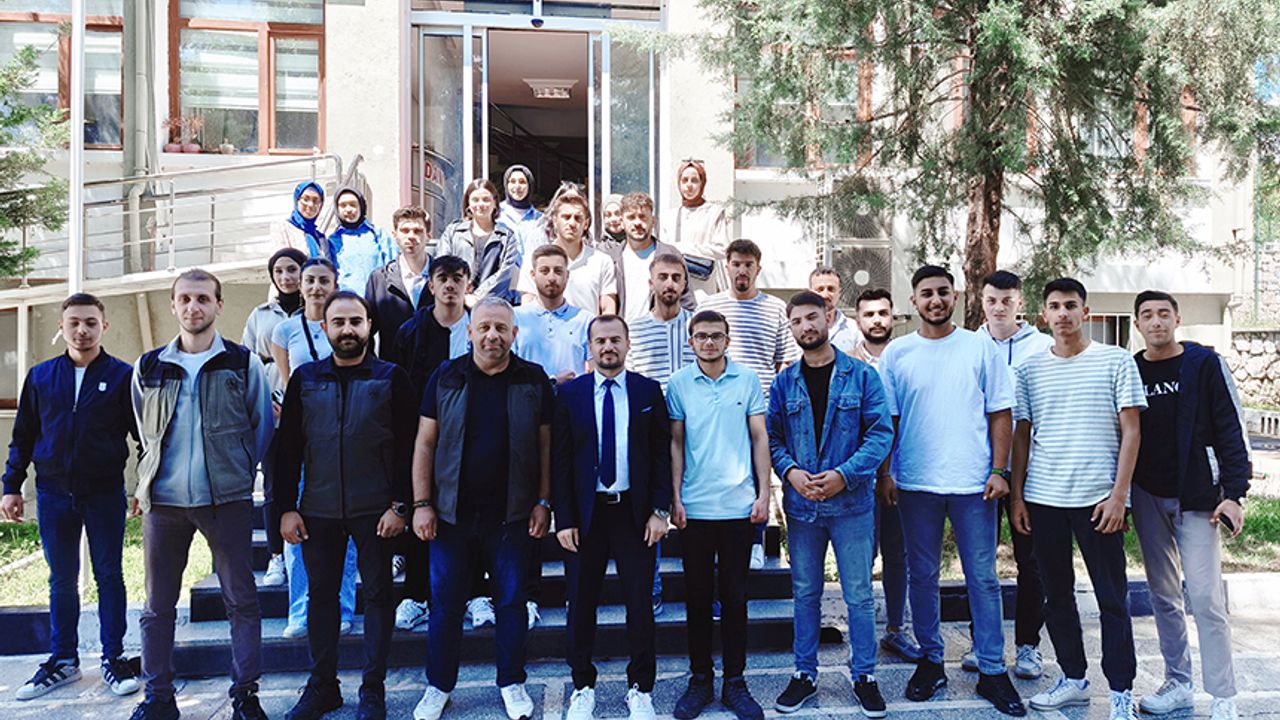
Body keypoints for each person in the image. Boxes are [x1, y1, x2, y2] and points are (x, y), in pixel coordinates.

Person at [877, 265, 1025, 716]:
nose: (935, 300)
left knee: (983, 578)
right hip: (916, 483)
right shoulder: (898, 353)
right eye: (926, 293)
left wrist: (999, 470)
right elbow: (888, 420)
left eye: (943, 292)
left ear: (955, 296)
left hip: (974, 484)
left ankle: (993, 670)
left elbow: (1001, 413)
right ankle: (931, 660)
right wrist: (886, 473)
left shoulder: (980, 348)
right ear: (914, 301)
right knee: (922, 576)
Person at [129, 269, 273, 720]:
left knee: (241, 600)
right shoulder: (149, 366)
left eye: (203, 299)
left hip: (225, 500)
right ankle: (158, 698)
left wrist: (237, 471)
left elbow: (261, 426)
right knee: (157, 606)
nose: (194, 307)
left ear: (218, 305)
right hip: (164, 503)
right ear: (173, 305)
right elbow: (145, 430)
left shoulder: (242, 362)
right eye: (186, 299)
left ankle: (245, 696)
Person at [274, 291, 418, 720]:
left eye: (356, 321)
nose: (348, 330)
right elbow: (288, 449)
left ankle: (372, 690)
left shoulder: (392, 377)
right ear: (325, 328)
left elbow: (409, 445)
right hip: (317, 509)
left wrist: (402, 506)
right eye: (338, 322)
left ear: (369, 326)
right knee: (321, 598)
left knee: (377, 597)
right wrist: (285, 508)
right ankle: (323, 687)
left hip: (376, 511)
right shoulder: (305, 378)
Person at [410, 297, 554, 720]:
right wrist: (421, 504)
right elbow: (425, 443)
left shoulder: (533, 379)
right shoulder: (446, 376)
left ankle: (511, 681)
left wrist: (543, 501)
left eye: (501, 328)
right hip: (450, 515)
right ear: (470, 332)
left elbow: (546, 448)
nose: (493, 335)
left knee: (511, 603)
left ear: (514, 333)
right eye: (485, 327)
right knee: (445, 605)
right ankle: (438, 685)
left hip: (511, 516)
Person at [1009, 278, 1146, 720]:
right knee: (1056, 595)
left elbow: (1131, 431)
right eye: (1054, 306)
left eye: (1071, 305)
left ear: (1085, 312)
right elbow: (1022, 437)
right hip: (1044, 499)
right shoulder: (1028, 370)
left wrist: (1119, 497)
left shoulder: (1115, 360)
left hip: (1098, 501)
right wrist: (1018, 498)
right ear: (1043, 315)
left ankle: (1121, 690)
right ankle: (1073, 679)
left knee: (1112, 598)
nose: (1063, 313)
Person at [1, 293, 140, 701]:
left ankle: (113, 658)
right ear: (61, 327)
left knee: (109, 574)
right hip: (53, 493)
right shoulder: (41, 377)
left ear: (104, 326)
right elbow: (23, 436)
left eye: (90, 323)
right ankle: (63, 659)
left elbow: (143, 436)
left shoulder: (122, 376)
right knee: (61, 579)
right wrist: (11, 486)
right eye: (74, 323)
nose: (82, 330)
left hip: (104, 493)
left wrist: (144, 488)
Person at [766, 292, 893, 717]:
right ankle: (804, 674)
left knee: (859, 595)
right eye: (797, 321)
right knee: (805, 593)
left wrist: (844, 474)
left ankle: (864, 676)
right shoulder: (784, 382)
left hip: (852, 506)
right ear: (791, 328)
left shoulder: (862, 376)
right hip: (803, 508)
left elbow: (880, 433)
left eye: (812, 317)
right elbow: (773, 438)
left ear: (828, 318)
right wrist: (790, 472)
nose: (806, 326)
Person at [1129, 290, 1249, 720]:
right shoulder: (1132, 369)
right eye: (1147, 315)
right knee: (1163, 595)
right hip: (1146, 494)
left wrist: (1234, 493)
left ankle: (1223, 695)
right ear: (1137, 324)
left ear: (1177, 319)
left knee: (1205, 595)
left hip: (1197, 497)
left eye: (1164, 313)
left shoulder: (1204, 364)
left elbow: (1231, 427)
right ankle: (1178, 683)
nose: (1156, 321)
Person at [554, 315, 671, 720]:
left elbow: (661, 454)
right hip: (586, 517)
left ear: (627, 343)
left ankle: (640, 688)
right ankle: (582, 686)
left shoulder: (647, 391)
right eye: (600, 340)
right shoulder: (570, 394)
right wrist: (564, 518)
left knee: (640, 604)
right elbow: (561, 460)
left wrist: (660, 511)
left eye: (615, 340)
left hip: (633, 515)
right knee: (580, 605)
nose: (608, 347)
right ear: (589, 346)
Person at [667, 310, 771, 720]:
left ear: (727, 340)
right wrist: (675, 497)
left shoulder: (747, 380)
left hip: (738, 508)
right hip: (695, 509)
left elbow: (759, 436)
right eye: (701, 336)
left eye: (716, 336)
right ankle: (700, 680)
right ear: (690, 341)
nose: (708, 342)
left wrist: (764, 494)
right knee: (696, 598)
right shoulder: (678, 383)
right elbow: (676, 443)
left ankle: (735, 682)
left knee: (735, 598)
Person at [959, 270, 1055, 678]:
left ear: (1021, 303)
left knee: (1031, 562)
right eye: (992, 300)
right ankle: (981, 641)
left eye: (1007, 300)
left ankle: (1028, 645)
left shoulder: (1043, 346)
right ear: (981, 302)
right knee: (979, 562)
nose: (999, 308)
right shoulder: (967, 345)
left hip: (1031, 473)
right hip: (981, 471)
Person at [697, 239, 799, 569]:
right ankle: (714, 539)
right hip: (716, 404)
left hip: (760, 405)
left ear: (758, 268)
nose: (742, 270)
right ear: (727, 267)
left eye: (748, 265)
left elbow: (785, 360)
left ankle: (755, 540)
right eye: (736, 264)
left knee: (757, 474)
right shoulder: (710, 305)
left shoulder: (774, 308)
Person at [271, 259, 359, 640]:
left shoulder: (348, 323)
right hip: (305, 436)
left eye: (324, 280)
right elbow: (289, 383)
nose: (316, 287)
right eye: (310, 280)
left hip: (346, 437)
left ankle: (343, 608)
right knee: (297, 528)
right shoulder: (285, 330)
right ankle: (299, 610)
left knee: (347, 534)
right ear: (300, 285)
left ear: (335, 283)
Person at [387, 254, 473, 632]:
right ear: (431, 285)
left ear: (468, 284)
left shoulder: (478, 325)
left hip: (472, 435)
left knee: (471, 518)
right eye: (443, 278)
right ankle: (416, 596)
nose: (450, 285)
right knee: (421, 514)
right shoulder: (410, 331)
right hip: (422, 436)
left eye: (458, 278)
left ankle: (475, 593)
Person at [848, 288, 921, 662]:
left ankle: (896, 629)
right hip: (859, 476)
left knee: (898, 553)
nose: (877, 320)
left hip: (900, 472)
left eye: (883, 313)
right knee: (861, 558)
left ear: (893, 316)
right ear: (857, 319)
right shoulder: (845, 363)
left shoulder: (907, 357)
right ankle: (860, 637)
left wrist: (891, 470)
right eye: (869, 314)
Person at [243, 247, 308, 588]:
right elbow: (247, 364)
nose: (286, 277)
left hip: (310, 411)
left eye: (292, 269)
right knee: (273, 484)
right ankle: (276, 556)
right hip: (273, 410)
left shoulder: (316, 311)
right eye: (279, 271)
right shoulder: (260, 315)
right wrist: (265, 401)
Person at [517, 185, 618, 315]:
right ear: (555, 221)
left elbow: (608, 310)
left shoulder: (602, 261)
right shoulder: (535, 260)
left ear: (586, 224)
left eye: (578, 218)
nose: (572, 223)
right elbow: (527, 309)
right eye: (566, 217)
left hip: (588, 328)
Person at [602, 192, 695, 323]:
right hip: (623, 333)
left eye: (643, 217)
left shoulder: (670, 255)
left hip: (662, 331)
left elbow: (687, 302)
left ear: (653, 221)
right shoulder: (611, 259)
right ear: (622, 222)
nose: (637, 223)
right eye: (631, 217)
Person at [514, 244, 592, 386]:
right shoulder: (515, 318)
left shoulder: (585, 320)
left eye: (558, 271)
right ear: (533, 275)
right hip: (528, 397)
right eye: (544, 271)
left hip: (573, 398)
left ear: (567, 275)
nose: (551, 277)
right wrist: (552, 381)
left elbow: (594, 373)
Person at [365, 205, 432, 361]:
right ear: (395, 235)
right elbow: (366, 331)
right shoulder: (379, 279)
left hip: (436, 371)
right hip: (393, 370)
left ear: (428, 236)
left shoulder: (442, 278)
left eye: (418, 231)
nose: (411, 236)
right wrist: (374, 367)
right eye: (405, 230)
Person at [436, 178, 521, 302]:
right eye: (475, 200)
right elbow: (442, 264)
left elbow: (505, 273)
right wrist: (461, 294)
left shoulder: (506, 237)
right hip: (455, 302)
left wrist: (477, 297)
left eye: (486, 199)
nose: (480, 204)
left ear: (495, 203)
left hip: (492, 305)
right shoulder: (453, 232)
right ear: (468, 204)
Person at [662, 159, 730, 300]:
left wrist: (686, 248)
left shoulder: (714, 212)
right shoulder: (670, 216)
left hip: (702, 289)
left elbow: (722, 249)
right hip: (675, 290)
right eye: (684, 180)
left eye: (694, 180)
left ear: (702, 183)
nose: (689, 185)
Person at [808, 267, 862, 354]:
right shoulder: (797, 328)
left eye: (831, 289)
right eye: (820, 289)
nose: (825, 295)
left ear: (839, 293)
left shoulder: (854, 329)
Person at [272, 180, 331, 261]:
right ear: (297, 200)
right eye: (306, 199)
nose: (310, 205)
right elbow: (279, 261)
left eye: (315, 201)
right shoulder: (283, 227)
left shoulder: (321, 238)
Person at [498, 164, 542, 237]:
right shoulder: (496, 213)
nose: (517, 186)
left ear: (529, 186)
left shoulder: (540, 219)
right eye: (512, 181)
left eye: (522, 182)